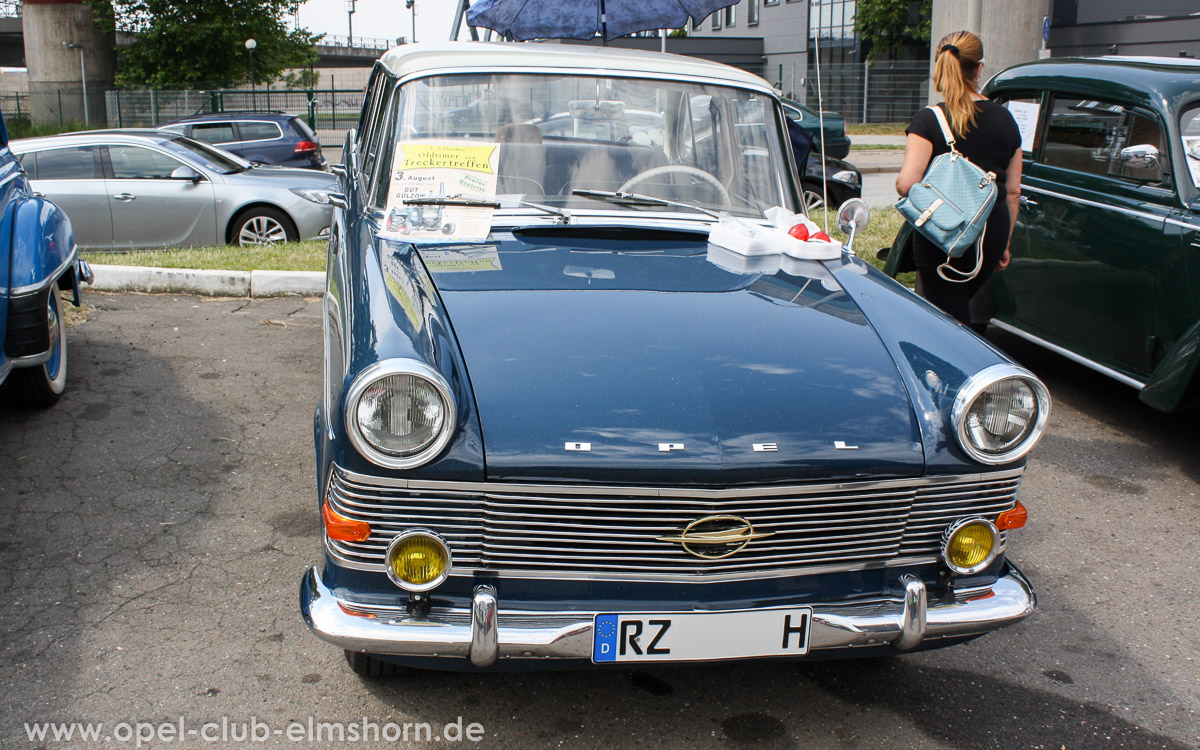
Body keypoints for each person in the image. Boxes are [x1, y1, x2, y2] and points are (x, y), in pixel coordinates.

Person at [895, 30, 1022, 332]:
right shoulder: (1007, 119)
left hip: (943, 233)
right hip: (990, 233)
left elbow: (906, 183)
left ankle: (957, 372)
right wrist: (1003, 245)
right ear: (979, 69)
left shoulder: (929, 120)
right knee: (957, 307)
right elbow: (1013, 191)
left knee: (949, 324)